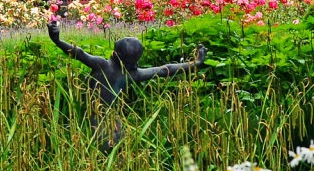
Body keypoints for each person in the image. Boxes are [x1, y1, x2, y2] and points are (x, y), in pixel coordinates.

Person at [46, 16, 206, 108]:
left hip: (93, 119)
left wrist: (57, 40)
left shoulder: (102, 65)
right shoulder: (133, 75)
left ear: (116, 54)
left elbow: (79, 53)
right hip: (113, 122)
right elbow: (166, 69)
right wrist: (196, 63)